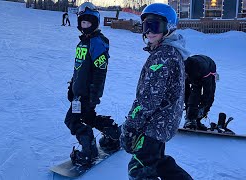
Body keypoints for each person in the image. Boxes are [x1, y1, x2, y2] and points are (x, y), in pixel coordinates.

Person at [120, 3, 193, 180]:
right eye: (146, 26)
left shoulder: (162, 56)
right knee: (158, 162)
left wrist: (130, 127)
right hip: (164, 122)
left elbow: (147, 100)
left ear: (168, 27)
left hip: (154, 125)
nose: (150, 31)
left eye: (156, 26)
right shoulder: (172, 51)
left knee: (139, 170)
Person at [64, 2, 120, 168]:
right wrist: (72, 87)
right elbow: (78, 69)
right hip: (79, 92)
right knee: (87, 117)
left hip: (88, 93)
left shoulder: (97, 43)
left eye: (88, 23)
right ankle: (113, 134)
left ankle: (89, 151)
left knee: (72, 120)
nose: (85, 26)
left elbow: (100, 72)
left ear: (95, 23)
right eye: (83, 22)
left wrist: (94, 94)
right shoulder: (83, 43)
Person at [183, 55, 217, 130]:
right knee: (192, 94)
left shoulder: (203, 71)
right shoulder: (181, 70)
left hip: (209, 68)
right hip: (194, 68)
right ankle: (190, 119)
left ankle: (198, 119)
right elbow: (186, 92)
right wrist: (188, 106)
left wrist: (203, 106)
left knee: (209, 96)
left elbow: (207, 91)